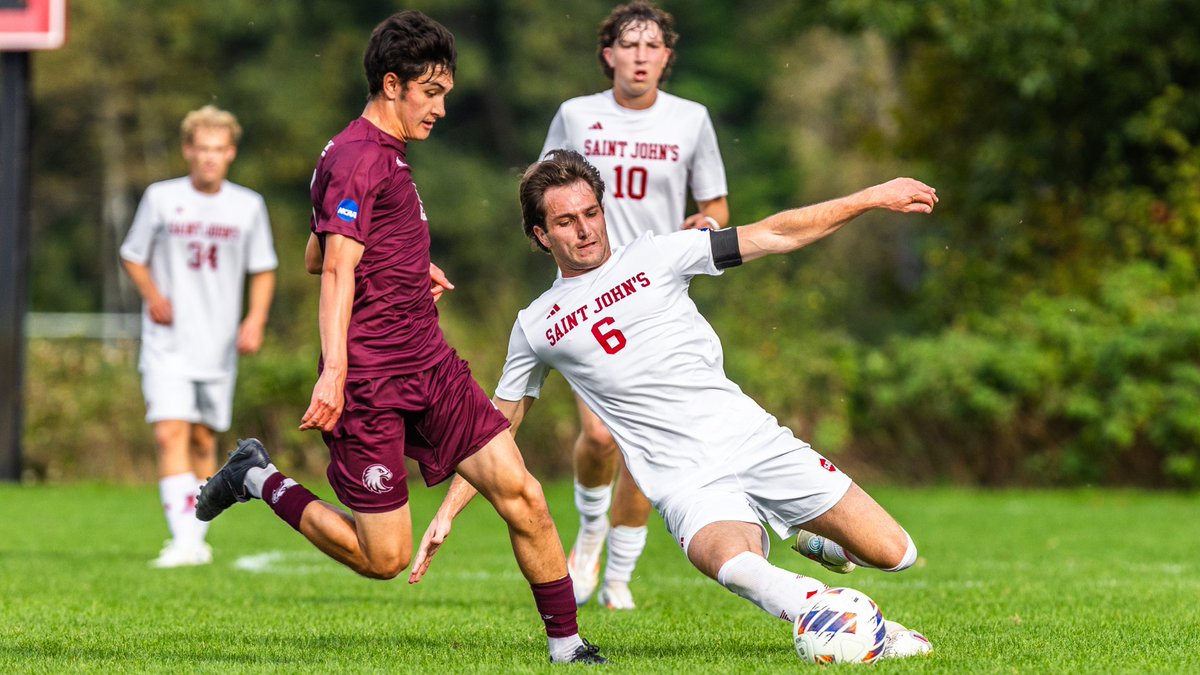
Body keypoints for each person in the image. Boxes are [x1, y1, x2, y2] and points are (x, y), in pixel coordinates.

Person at [408, 150, 938, 658]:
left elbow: (774, 234)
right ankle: (836, 618)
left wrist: (869, 197)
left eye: (591, 213)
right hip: (684, 482)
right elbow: (497, 428)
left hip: (752, 440)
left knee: (897, 553)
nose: (585, 229)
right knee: (733, 564)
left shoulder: (659, 254)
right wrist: (448, 512)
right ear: (541, 235)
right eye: (566, 221)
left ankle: (822, 547)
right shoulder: (536, 325)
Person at [196, 12, 606, 665]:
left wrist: (410, 267)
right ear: (393, 84)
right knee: (383, 557)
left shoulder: (381, 154)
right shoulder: (357, 157)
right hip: (369, 380)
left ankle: (568, 646)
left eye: (445, 93)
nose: (440, 107)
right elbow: (333, 269)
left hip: (430, 364)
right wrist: (334, 372)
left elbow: (318, 249)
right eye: (431, 92)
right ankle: (256, 477)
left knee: (522, 493)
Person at [539, 0, 730, 610]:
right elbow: (542, 194)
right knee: (600, 437)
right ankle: (591, 532)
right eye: (629, 45)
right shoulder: (576, 115)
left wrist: (704, 224)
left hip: (656, 295)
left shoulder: (691, 119)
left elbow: (717, 207)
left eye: (652, 46)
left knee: (645, 444)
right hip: (586, 292)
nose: (640, 57)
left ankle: (618, 575)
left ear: (666, 57)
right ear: (609, 55)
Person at [119, 105, 277, 568]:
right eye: (202, 148)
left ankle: (194, 537)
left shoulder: (248, 205)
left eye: (218, 149)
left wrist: (256, 319)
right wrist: (152, 295)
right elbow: (132, 254)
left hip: (217, 345)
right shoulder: (161, 198)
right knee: (170, 433)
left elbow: (263, 267)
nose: (209, 157)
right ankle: (185, 541)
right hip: (167, 341)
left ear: (231, 153)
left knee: (204, 440)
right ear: (188, 150)